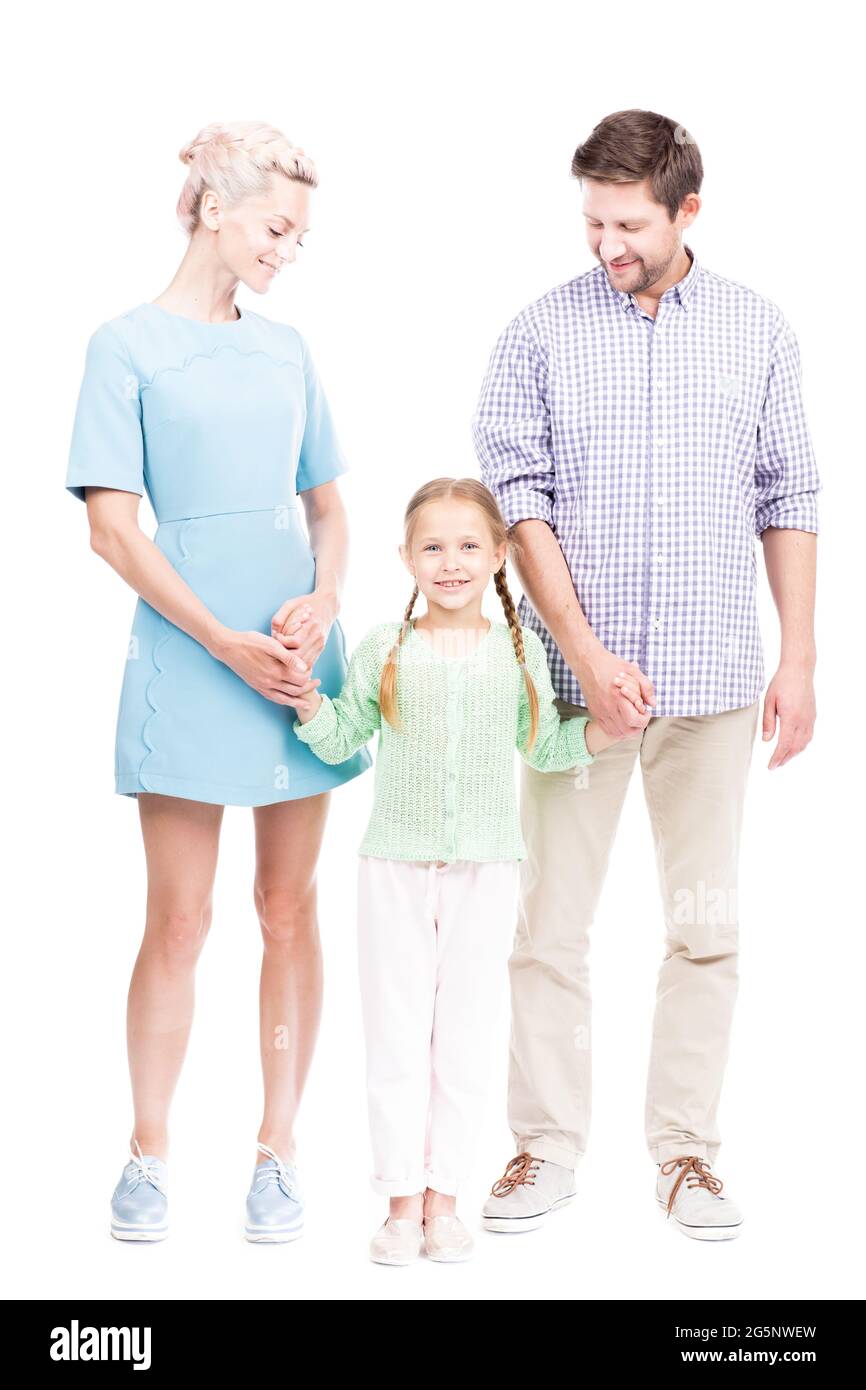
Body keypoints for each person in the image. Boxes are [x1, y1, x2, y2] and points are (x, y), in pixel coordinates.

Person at [472, 108, 820, 1241]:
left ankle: (684, 1157)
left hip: (715, 680)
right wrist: (579, 652)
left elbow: (788, 495)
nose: (604, 241)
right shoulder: (535, 335)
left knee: (704, 923)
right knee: (548, 928)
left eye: (626, 221)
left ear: (685, 212)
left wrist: (799, 655)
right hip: (576, 695)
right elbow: (516, 505)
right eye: (591, 219)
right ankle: (544, 1148)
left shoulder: (758, 332)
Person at [65, 121, 371, 1244]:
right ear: (211, 208)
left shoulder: (287, 351)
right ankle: (147, 1150)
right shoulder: (124, 346)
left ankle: (277, 1150)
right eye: (277, 228)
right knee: (181, 919)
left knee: (285, 909)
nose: (289, 250)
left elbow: (328, 506)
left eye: (299, 234)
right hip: (190, 662)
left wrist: (324, 600)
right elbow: (113, 531)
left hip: (293, 668)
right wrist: (219, 640)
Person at [289, 477, 643, 1264]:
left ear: (499, 554)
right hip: (394, 866)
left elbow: (547, 749)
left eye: (469, 546)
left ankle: (446, 1199)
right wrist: (305, 701)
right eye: (433, 547)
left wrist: (609, 733)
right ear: (408, 557)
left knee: (465, 1037)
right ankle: (399, 1202)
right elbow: (345, 734)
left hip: (487, 868)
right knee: (396, 1033)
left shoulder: (517, 655)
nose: (451, 563)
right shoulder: (386, 645)